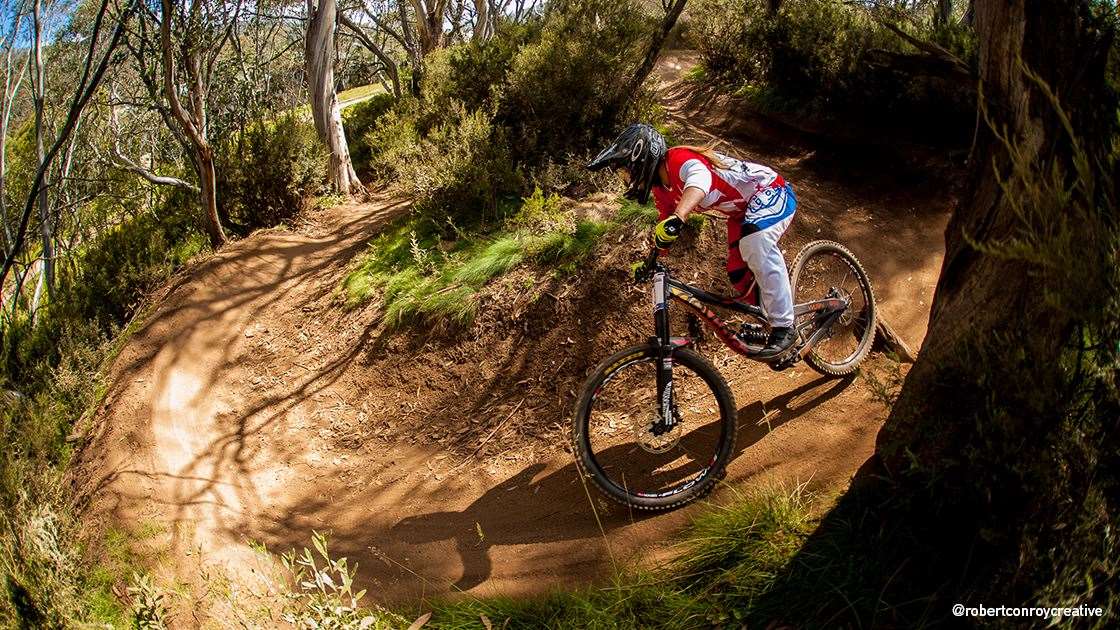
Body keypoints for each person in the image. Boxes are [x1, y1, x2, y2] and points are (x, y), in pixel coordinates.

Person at [587, 123, 798, 360]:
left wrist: (679, 216)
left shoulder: (678, 159)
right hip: (742, 214)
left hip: (770, 190)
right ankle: (770, 322)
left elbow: (700, 181)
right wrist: (652, 259)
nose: (627, 178)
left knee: (755, 243)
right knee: (739, 274)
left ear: (641, 157)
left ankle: (784, 325)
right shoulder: (662, 191)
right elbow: (664, 229)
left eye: (627, 171)